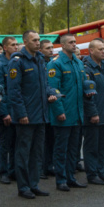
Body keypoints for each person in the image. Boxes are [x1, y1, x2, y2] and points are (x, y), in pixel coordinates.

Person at [7, 31, 56, 199]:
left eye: (38, 40)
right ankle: (23, 186)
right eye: (34, 40)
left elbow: (45, 83)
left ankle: (34, 184)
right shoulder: (17, 61)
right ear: (25, 41)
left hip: (41, 114)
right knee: (23, 152)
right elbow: (14, 91)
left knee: (37, 152)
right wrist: (21, 113)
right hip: (26, 116)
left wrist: (50, 92)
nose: (37, 43)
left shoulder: (40, 59)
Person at [47, 34, 86, 191]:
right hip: (63, 113)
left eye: (75, 42)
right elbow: (53, 90)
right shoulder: (55, 64)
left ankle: (71, 177)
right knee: (61, 149)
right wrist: (59, 111)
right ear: (63, 45)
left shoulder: (77, 62)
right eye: (71, 42)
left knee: (73, 148)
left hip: (76, 112)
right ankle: (61, 179)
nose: (74, 44)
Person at [82, 38, 104, 184]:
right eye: (100, 49)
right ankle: (92, 174)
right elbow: (87, 95)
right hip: (94, 114)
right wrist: (93, 113)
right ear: (91, 51)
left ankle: (100, 171)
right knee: (92, 146)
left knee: (103, 146)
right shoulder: (87, 68)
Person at [0, 36, 18, 185]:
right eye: (12, 45)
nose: (16, 47)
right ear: (5, 48)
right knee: (5, 144)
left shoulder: (16, 62)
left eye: (17, 44)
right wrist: (4, 112)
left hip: (17, 109)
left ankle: (13, 170)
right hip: (6, 110)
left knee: (16, 142)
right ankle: (3, 172)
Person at [39, 39, 56, 179]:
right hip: (41, 107)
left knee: (51, 139)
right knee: (42, 142)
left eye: (52, 47)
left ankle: (49, 166)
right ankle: (41, 168)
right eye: (47, 48)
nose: (51, 50)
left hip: (51, 106)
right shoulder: (39, 63)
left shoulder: (51, 64)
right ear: (40, 50)